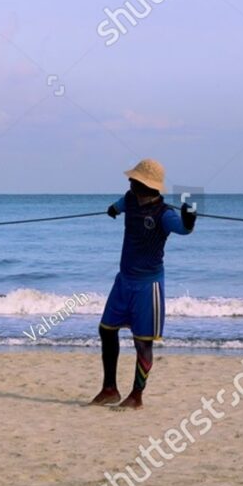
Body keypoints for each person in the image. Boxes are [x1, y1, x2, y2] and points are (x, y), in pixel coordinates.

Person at [90, 158, 196, 409]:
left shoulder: (165, 214)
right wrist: (112, 210)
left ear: (146, 185)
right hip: (123, 281)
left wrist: (190, 219)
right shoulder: (129, 199)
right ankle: (109, 389)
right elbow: (116, 206)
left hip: (148, 287)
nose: (129, 181)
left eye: (134, 179)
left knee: (142, 342)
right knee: (106, 330)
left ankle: (136, 396)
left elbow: (184, 229)